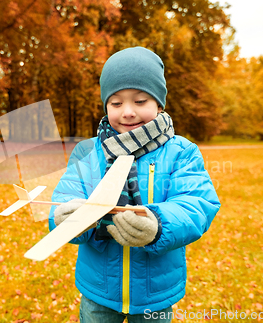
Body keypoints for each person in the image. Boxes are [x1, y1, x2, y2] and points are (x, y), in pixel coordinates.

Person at [48, 47, 221, 323]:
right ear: (106, 106)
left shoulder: (181, 152)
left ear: (159, 104)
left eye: (140, 101)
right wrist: (65, 217)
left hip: (155, 293)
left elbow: (198, 203)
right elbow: (65, 196)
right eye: (116, 103)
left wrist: (159, 225)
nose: (127, 112)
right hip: (98, 291)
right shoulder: (87, 152)